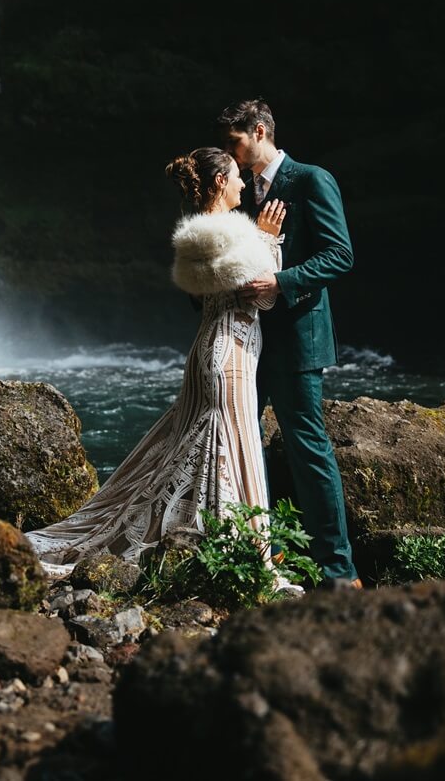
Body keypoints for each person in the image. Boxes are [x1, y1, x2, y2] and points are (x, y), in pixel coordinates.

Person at [25, 147, 291, 580]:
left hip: (214, 350)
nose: (245, 182)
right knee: (230, 446)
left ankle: (230, 544)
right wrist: (268, 238)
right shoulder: (229, 233)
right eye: (237, 176)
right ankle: (242, 554)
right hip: (231, 354)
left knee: (209, 444)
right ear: (220, 182)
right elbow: (263, 294)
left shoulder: (205, 232)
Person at [219, 99, 361, 591]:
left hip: (298, 338)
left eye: (235, 142)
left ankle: (339, 570)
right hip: (245, 341)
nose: (229, 153)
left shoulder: (310, 180)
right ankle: (263, 551)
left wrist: (281, 282)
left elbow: (340, 255)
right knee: (237, 443)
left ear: (260, 132)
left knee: (308, 449)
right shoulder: (239, 193)